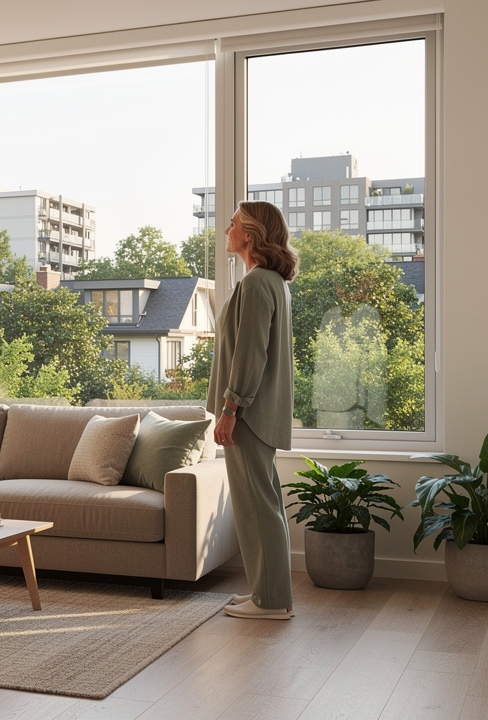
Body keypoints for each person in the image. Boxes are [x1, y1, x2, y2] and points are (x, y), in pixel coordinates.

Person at [207, 200, 299, 620]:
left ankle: (272, 601)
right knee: (261, 505)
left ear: (249, 234)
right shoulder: (269, 281)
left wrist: (231, 408)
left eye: (233, 223)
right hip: (257, 412)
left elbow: (249, 354)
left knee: (257, 507)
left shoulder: (259, 282)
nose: (226, 228)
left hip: (249, 415)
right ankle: (267, 592)